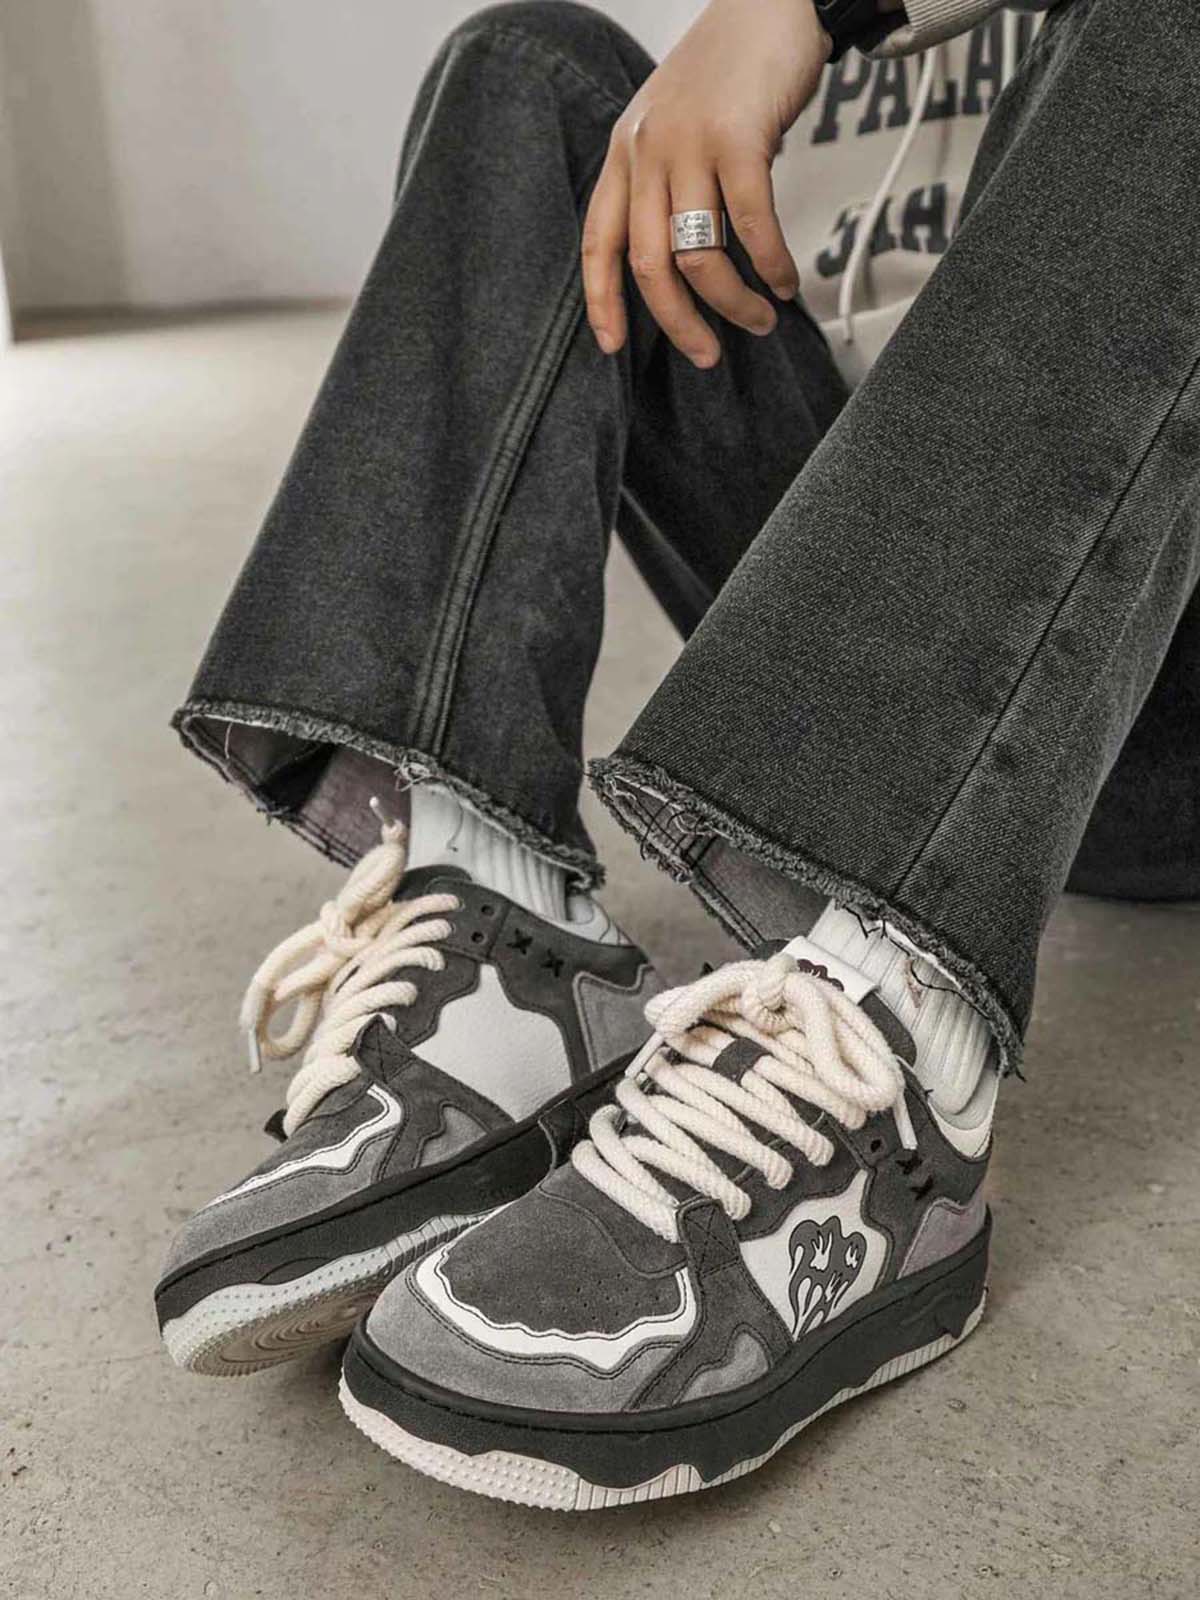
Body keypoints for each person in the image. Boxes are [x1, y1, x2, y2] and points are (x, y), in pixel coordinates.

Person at [154, 0, 1200, 1509]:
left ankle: (899, 1062)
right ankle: (504, 937)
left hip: (1156, 670)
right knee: (535, 73)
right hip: (896, 616)